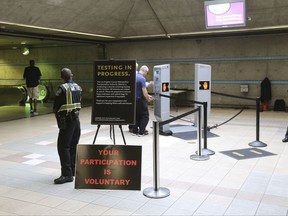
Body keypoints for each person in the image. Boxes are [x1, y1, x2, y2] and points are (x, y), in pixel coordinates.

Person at [53, 68, 82, 184]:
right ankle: (73, 170)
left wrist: (59, 120)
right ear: (72, 75)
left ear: (62, 77)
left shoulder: (62, 88)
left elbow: (56, 107)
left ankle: (66, 175)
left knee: (63, 147)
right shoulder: (78, 87)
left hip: (67, 121)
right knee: (73, 145)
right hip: (76, 120)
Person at [132, 65, 154, 136]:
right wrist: (148, 99)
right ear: (145, 71)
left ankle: (134, 131)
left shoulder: (134, 76)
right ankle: (141, 131)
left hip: (133, 99)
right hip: (140, 100)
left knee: (136, 115)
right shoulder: (142, 79)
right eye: (147, 73)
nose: (146, 74)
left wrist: (147, 95)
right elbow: (144, 91)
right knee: (145, 115)